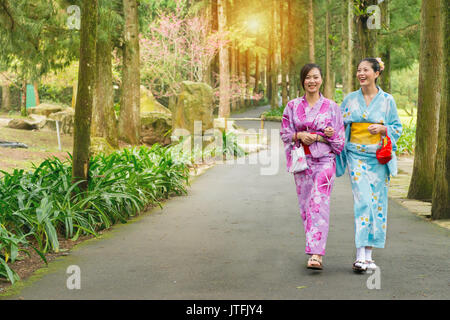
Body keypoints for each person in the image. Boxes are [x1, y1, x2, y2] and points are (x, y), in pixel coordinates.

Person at [337, 57, 403, 273]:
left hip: (379, 159)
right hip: (356, 156)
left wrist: (383, 130)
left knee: (377, 204)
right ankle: (359, 255)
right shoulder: (349, 99)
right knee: (363, 200)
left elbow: (397, 127)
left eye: (365, 70)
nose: (361, 74)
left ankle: (369, 254)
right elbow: (339, 125)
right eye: (358, 70)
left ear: (376, 73)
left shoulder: (387, 100)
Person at [280, 63, 345, 270]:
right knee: (306, 206)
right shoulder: (292, 106)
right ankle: (314, 247)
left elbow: (340, 141)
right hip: (302, 162)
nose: (312, 81)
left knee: (319, 203)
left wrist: (323, 136)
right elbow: (284, 132)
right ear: (302, 81)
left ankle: (316, 254)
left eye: (315, 77)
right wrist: (299, 135)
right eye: (308, 77)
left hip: (325, 162)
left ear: (321, 79)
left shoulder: (333, 107)